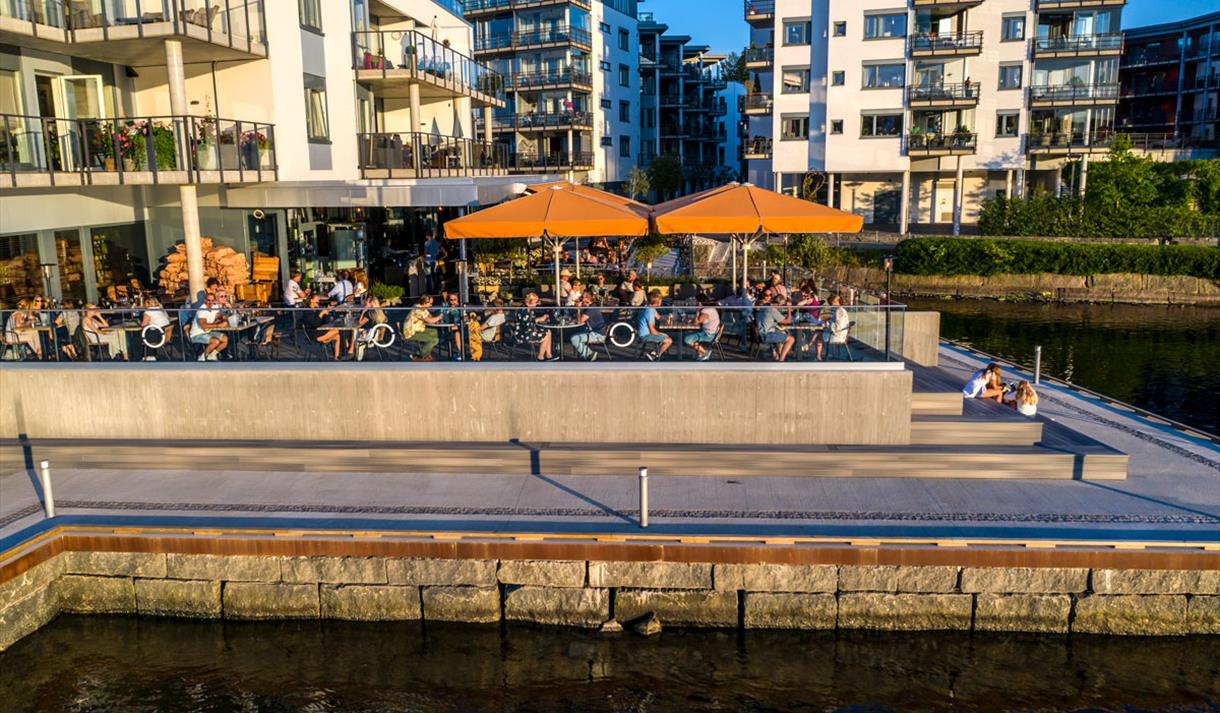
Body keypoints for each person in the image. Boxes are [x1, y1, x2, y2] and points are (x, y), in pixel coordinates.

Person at [511, 292, 555, 360]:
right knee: (546, 335)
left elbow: (529, 320)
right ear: (530, 302)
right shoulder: (524, 310)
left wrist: (539, 319)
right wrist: (538, 319)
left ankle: (549, 355)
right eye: (536, 302)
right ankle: (540, 356)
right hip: (524, 334)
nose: (537, 304)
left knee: (549, 331)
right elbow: (527, 322)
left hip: (525, 331)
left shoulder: (525, 308)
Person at [402, 294, 443, 361]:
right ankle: (417, 354)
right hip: (411, 333)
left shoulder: (422, 308)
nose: (431, 305)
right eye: (430, 303)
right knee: (434, 340)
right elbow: (430, 320)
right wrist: (439, 317)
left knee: (434, 331)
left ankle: (426, 354)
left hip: (418, 329)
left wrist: (435, 318)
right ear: (424, 302)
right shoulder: (418, 310)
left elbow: (430, 317)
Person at [755, 293, 795, 362]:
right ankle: (781, 360)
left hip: (759, 334)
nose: (782, 307)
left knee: (783, 333)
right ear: (779, 304)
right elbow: (788, 321)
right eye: (782, 305)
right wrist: (789, 309)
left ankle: (776, 355)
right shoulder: (772, 310)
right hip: (767, 335)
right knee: (791, 339)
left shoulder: (764, 307)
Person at [683, 293, 721, 361]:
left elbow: (696, 322)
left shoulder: (706, 311)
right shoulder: (708, 308)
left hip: (709, 335)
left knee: (687, 339)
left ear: (700, 302)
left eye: (696, 301)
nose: (695, 303)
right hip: (710, 333)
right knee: (691, 336)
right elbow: (698, 321)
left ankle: (704, 353)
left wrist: (697, 310)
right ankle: (701, 353)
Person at [189, 295, 228, 361]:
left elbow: (218, 317)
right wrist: (218, 325)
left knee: (225, 339)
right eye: (208, 300)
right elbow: (203, 325)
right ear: (205, 300)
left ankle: (212, 355)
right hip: (197, 334)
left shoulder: (214, 306)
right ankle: (202, 357)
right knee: (215, 341)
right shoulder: (202, 310)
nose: (210, 302)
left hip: (207, 332)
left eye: (212, 300)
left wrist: (223, 320)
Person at [570, 292, 606, 361]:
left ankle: (590, 354)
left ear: (588, 299)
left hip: (598, 334)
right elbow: (577, 318)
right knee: (575, 334)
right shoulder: (589, 307)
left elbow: (580, 321)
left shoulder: (591, 308)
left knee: (574, 338)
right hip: (594, 332)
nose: (580, 299)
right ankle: (585, 354)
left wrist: (578, 308)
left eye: (582, 297)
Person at [636, 292, 672, 360]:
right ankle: (656, 355)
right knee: (669, 340)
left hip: (645, 333)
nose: (661, 303)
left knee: (666, 336)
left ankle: (653, 353)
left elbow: (659, 317)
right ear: (657, 303)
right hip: (645, 336)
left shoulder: (650, 308)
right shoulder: (649, 312)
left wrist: (667, 318)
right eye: (660, 301)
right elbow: (652, 330)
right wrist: (660, 335)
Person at [437, 291, 465, 360]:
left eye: (455, 299)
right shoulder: (445, 307)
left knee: (457, 332)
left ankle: (460, 353)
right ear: (449, 300)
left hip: (459, 327)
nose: (453, 301)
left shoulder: (460, 307)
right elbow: (441, 316)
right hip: (447, 327)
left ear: (457, 300)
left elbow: (465, 316)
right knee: (455, 331)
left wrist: (464, 317)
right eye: (451, 300)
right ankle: (459, 353)